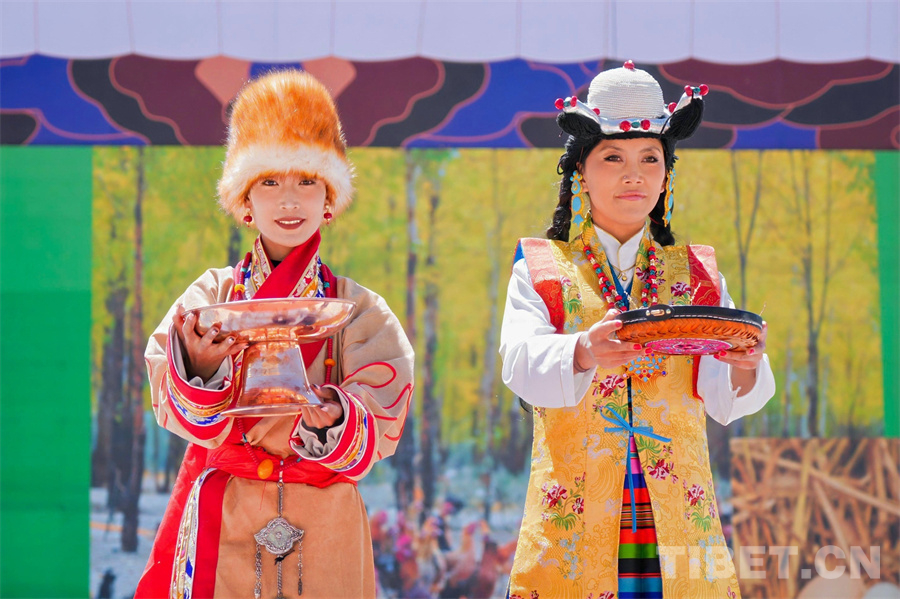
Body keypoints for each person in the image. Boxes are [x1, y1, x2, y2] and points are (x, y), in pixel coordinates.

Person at [499, 62, 776, 599]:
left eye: (651, 158)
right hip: (575, 506)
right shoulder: (542, 268)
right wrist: (583, 350)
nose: (635, 175)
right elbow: (519, 363)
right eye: (613, 158)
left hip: (677, 507)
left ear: (666, 174)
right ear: (581, 172)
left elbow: (727, 397)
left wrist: (745, 364)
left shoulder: (697, 274)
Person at [134, 70, 414, 599]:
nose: (290, 200)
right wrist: (200, 368)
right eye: (269, 182)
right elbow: (169, 395)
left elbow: (386, 410)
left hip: (328, 520)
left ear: (329, 197)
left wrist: (336, 414)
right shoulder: (210, 295)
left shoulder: (361, 310)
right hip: (227, 513)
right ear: (244, 200)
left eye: (307, 181)